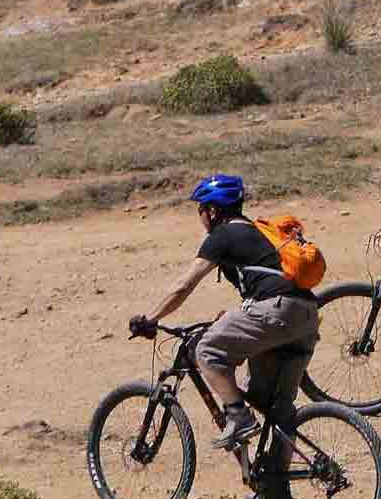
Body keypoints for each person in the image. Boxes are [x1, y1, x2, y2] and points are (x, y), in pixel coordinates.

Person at [130, 174, 320, 478]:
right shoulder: (255, 231)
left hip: (277, 310)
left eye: (200, 210)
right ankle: (276, 491)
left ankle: (238, 419)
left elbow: (184, 285)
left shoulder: (223, 236)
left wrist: (150, 318)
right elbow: (263, 285)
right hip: (306, 314)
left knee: (207, 350)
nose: (200, 217)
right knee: (274, 405)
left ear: (213, 211)